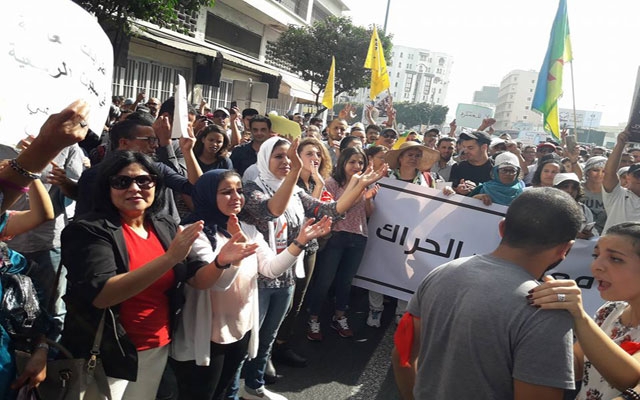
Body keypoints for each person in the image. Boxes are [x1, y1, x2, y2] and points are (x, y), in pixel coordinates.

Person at [60, 151, 224, 399]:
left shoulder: (164, 224)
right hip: (107, 351)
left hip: (157, 345)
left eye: (144, 180)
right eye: (122, 182)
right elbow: (102, 295)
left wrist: (223, 262)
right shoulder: (88, 231)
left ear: (156, 185)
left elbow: (197, 279)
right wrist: (169, 258)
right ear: (107, 188)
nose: (134, 188)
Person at [392, 188, 582, 399]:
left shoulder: (441, 273)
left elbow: (402, 355)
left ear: (502, 228)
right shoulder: (546, 309)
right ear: (565, 249)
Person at [235, 136, 385, 398]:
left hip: (286, 276)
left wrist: (359, 185)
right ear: (264, 158)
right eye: (279, 156)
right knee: (247, 338)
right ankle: (232, 388)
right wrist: (295, 170)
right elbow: (271, 211)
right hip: (257, 279)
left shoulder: (294, 191)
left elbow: (330, 210)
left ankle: (254, 386)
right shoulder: (251, 189)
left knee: (268, 336)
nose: (287, 161)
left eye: (290, 157)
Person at [170, 169, 331, 400]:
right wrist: (227, 260)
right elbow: (215, 284)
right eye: (226, 192)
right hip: (207, 335)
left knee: (223, 391)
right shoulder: (193, 232)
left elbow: (271, 269)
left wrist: (300, 242)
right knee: (201, 393)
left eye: (239, 190)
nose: (236, 197)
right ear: (207, 195)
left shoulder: (247, 228)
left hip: (241, 328)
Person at [530, 222, 640, 400]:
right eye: (596, 255)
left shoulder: (589, 316)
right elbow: (577, 364)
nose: (596, 266)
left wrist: (579, 316)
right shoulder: (610, 311)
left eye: (615, 259)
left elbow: (630, 379)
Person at [306, 147, 379, 338]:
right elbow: (334, 210)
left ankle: (339, 316)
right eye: (352, 162)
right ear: (343, 163)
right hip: (336, 236)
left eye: (361, 162)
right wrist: (358, 193)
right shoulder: (331, 183)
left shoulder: (365, 183)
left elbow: (369, 213)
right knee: (324, 280)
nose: (357, 166)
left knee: (346, 281)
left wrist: (367, 199)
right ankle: (313, 318)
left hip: (359, 236)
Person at [273, 137, 332, 368]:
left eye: (318, 154)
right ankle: (267, 348)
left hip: (310, 247)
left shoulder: (314, 182)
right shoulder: (289, 181)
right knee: (283, 299)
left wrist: (318, 184)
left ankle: (282, 344)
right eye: (309, 154)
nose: (315, 158)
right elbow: (304, 214)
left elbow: (316, 214)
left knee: (298, 298)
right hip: (288, 247)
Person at [602, 131, 640, 233]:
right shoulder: (617, 195)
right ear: (628, 177)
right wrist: (620, 144)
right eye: (638, 175)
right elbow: (609, 172)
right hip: (611, 243)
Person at [553, 173, 598, 239]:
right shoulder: (548, 208)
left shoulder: (584, 209)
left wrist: (590, 235)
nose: (570, 190)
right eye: (565, 187)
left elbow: (594, 232)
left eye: (574, 187)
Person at [449, 130, 493, 195]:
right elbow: (450, 189)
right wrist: (457, 190)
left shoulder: (496, 171)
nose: (465, 151)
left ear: (484, 147)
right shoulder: (458, 167)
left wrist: (478, 189)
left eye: (470, 148)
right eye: (464, 147)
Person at [581, 156, 607, 235]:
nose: (599, 174)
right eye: (595, 170)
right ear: (587, 171)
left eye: (603, 171)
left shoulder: (611, 192)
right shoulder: (576, 188)